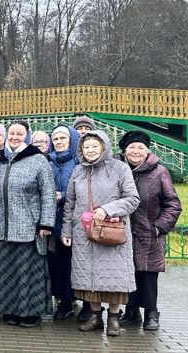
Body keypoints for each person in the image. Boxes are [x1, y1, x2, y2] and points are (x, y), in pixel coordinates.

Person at [62, 130, 140, 336]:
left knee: (114, 276)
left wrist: (107, 209)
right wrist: (66, 230)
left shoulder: (120, 168)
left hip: (111, 230)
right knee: (88, 275)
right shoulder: (79, 171)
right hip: (84, 232)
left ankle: (114, 318)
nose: (90, 150)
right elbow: (70, 203)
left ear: (104, 147)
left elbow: (132, 198)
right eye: (86, 147)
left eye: (94, 146)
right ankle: (95, 317)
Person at [0, 121, 57, 328]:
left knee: (27, 273)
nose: (15, 137)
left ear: (26, 136)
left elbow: (48, 194)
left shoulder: (38, 160)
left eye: (20, 134)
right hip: (1, 227)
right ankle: (8, 309)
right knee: (5, 272)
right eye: (12, 133)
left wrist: (46, 223)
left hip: (28, 226)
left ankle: (30, 312)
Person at [118, 131, 181, 331]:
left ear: (147, 151)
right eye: (131, 148)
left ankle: (151, 313)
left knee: (148, 275)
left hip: (148, 232)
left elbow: (172, 203)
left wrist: (159, 226)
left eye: (140, 148)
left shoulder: (159, 172)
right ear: (124, 150)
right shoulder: (118, 169)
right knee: (128, 273)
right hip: (123, 231)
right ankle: (131, 311)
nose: (135, 152)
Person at [48, 124, 80, 320]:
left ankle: (70, 300)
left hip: (72, 221)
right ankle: (60, 298)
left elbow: (81, 189)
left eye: (63, 139)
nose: (59, 142)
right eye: (56, 139)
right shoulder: (48, 161)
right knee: (56, 263)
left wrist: (61, 196)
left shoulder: (77, 163)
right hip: (52, 221)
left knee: (71, 263)